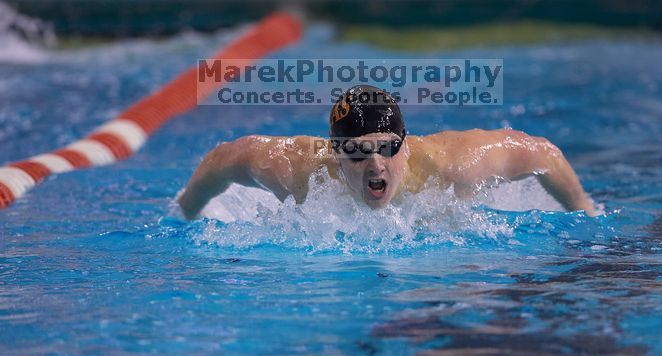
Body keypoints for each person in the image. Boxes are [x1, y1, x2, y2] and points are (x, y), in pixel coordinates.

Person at [178, 85, 595, 219]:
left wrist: (583, 215)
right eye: (359, 153)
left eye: (387, 149)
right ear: (336, 154)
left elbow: (541, 152)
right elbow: (222, 160)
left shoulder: (451, 169)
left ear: (405, 144)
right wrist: (183, 216)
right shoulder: (293, 170)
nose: (376, 164)